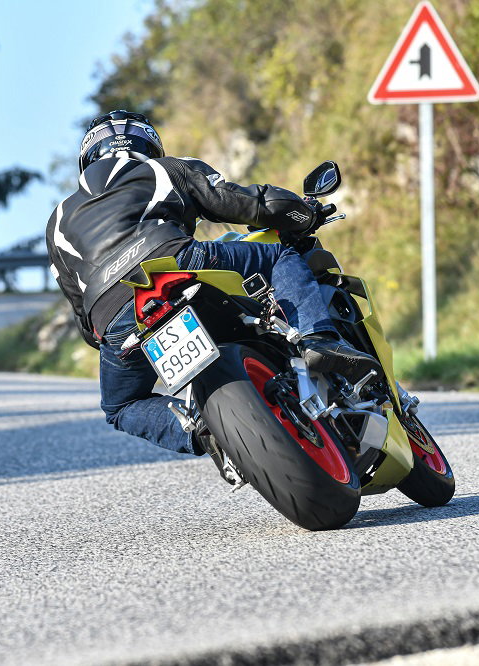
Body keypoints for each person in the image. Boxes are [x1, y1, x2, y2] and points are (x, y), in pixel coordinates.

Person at [46, 110, 380, 461]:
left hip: (112, 310)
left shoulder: (57, 220)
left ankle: (203, 429)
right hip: (173, 261)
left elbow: (81, 312)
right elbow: (250, 204)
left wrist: (110, 335)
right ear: (150, 145)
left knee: (120, 405)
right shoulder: (166, 169)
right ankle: (318, 341)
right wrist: (304, 213)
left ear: (87, 158)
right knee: (278, 257)